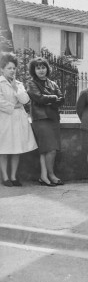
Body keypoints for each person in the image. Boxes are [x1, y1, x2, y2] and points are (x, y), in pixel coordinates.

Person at [0, 52, 37, 186]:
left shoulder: (19, 84)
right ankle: (5, 177)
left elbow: (25, 100)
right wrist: (13, 106)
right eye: (9, 68)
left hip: (18, 121)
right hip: (4, 120)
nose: (12, 71)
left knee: (17, 149)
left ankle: (13, 176)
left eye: (14, 68)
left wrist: (16, 88)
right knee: (3, 149)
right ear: (2, 69)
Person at [27, 57, 64, 186]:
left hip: (53, 118)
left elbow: (62, 99)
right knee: (51, 148)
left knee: (46, 149)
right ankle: (51, 175)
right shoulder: (31, 83)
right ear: (34, 70)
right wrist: (53, 98)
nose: (41, 70)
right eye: (38, 68)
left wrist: (50, 100)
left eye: (43, 67)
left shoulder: (52, 83)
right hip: (41, 119)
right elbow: (39, 98)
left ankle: (44, 176)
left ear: (47, 69)